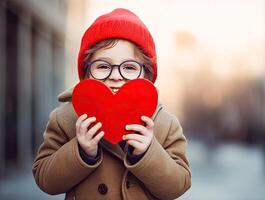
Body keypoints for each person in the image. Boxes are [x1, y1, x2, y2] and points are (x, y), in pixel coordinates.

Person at [32, 8, 191, 200]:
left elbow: (179, 185)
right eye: (103, 66)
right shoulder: (66, 118)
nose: (115, 76)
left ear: (146, 76)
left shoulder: (165, 124)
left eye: (129, 67)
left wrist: (148, 153)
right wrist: (81, 152)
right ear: (86, 73)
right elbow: (44, 178)